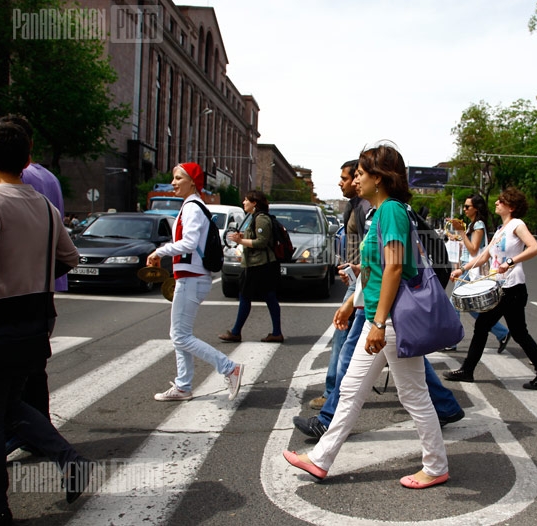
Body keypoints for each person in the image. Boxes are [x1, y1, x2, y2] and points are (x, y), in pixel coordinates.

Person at [284, 142, 449, 489]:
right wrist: (350, 302)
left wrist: (377, 322)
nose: (355, 180)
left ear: (379, 177)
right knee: (351, 389)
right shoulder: (379, 213)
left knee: (413, 394)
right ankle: (320, 458)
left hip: (389, 320)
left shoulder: (391, 211)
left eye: (360, 173)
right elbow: (375, 269)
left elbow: (392, 269)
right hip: (378, 315)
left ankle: (435, 466)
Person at [0, 121, 91, 523]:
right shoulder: (46, 206)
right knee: (11, 404)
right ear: (28, 159)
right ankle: (71, 461)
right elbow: (71, 258)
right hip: (38, 319)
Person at [0, 115, 66, 455]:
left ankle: (30, 436)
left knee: (10, 378)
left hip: (13, 290)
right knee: (32, 368)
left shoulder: (18, 181)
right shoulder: (49, 177)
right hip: (42, 286)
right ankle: (41, 435)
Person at [147, 163, 244, 402]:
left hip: (192, 279)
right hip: (191, 277)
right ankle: (183, 386)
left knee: (180, 336)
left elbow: (189, 243)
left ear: (192, 181)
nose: (173, 183)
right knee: (180, 334)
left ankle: (229, 367)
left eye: (178, 178)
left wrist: (159, 252)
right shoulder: (192, 206)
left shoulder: (192, 208)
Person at [443, 187, 537, 390]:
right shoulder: (501, 230)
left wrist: (511, 261)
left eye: (500, 201)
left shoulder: (517, 225)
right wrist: (462, 270)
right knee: (517, 333)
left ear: (511, 207)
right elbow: (484, 256)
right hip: (503, 287)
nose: (496, 203)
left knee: (485, 326)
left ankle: (467, 370)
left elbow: (534, 248)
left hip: (512, 287)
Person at [307, 160, 369, 410]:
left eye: (347, 177)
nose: (342, 182)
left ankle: (332, 394)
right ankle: (443, 403)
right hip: (358, 278)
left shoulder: (366, 208)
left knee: (344, 337)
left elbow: (376, 254)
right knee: (395, 349)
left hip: (364, 281)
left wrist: (359, 276)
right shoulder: (354, 206)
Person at [218, 190, 284, 343]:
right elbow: (255, 237)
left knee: (248, 296)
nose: (244, 202)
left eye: (246, 200)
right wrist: (242, 237)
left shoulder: (261, 219)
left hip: (260, 265)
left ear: (254, 203)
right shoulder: (255, 218)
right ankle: (276, 332)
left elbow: (261, 242)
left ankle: (236, 332)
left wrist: (240, 241)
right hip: (257, 264)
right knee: (267, 297)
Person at [448, 194, 511, 353]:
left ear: (476, 208)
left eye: (467, 206)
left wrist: (461, 232)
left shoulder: (478, 225)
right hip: (466, 267)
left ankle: (452, 340)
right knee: (473, 308)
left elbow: (474, 249)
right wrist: (458, 233)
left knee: (454, 303)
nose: (464, 209)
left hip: (471, 269)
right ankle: (502, 333)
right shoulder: (473, 224)